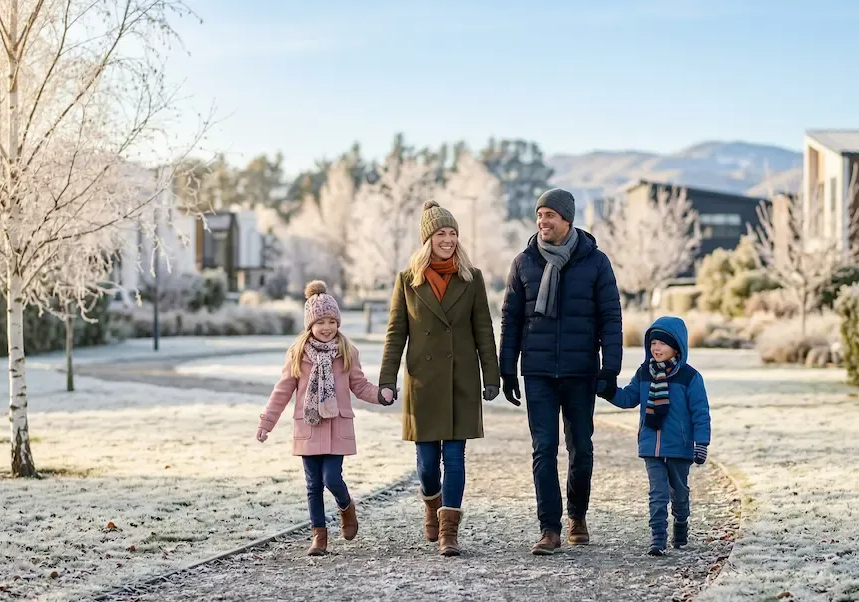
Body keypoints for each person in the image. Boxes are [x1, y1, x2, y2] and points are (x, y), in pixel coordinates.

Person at [499, 187, 623, 555]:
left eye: (549, 215)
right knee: (543, 448)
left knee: (581, 448)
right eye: (539, 216)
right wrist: (508, 369)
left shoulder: (596, 262)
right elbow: (511, 318)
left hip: (580, 370)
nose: (543, 222)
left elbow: (611, 317)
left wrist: (610, 367)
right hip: (537, 371)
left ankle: (577, 516)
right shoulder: (524, 262)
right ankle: (549, 528)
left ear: (567, 219)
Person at [379, 200, 501, 557]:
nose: (447, 240)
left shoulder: (471, 277)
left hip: (460, 378)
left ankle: (449, 531)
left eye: (452, 233)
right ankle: (431, 504)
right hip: (424, 381)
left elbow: (484, 329)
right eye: (440, 234)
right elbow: (395, 334)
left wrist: (490, 374)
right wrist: (388, 380)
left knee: (457, 457)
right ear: (427, 239)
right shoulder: (407, 281)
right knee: (427, 464)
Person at [257, 280, 393, 556]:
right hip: (308, 426)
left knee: (332, 478)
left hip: (336, 426)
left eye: (332, 321)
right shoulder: (297, 354)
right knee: (313, 484)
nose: (327, 327)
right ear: (310, 325)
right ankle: (319, 535)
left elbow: (360, 385)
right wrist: (266, 423)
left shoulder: (346, 352)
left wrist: (380, 395)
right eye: (321, 322)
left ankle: (346, 507)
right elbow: (282, 391)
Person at [600, 316, 712, 556]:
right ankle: (657, 538)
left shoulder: (690, 377)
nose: (656, 348)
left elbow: (700, 412)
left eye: (662, 343)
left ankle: (680, 523)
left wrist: (701, 443)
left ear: (677, 347)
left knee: (679, 494)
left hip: (679, 446)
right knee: (657, 493)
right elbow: (628, 398)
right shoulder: (644, 373)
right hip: (651, 445)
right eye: (653, 343)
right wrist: (608, 391)